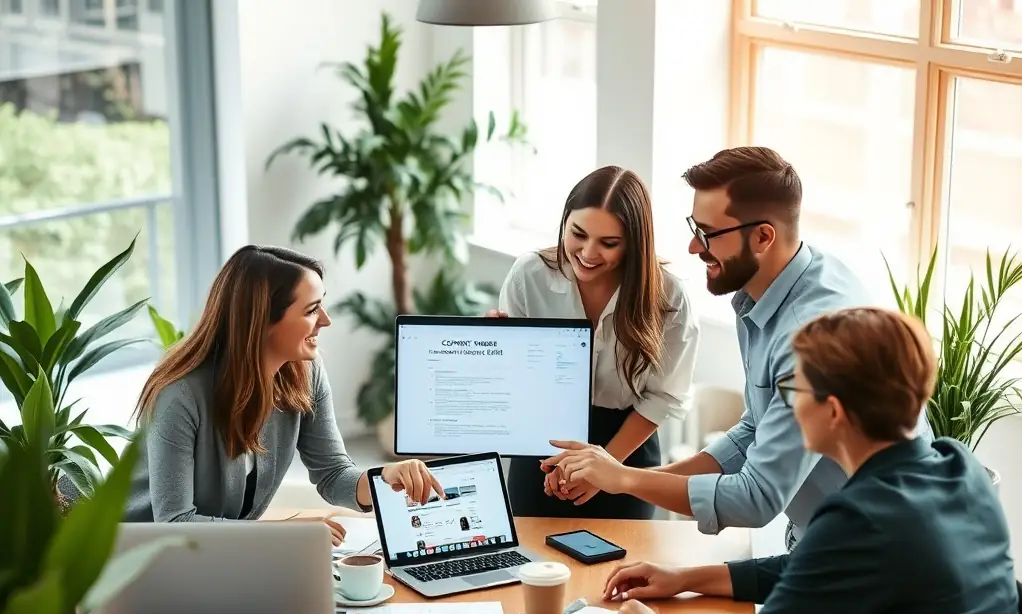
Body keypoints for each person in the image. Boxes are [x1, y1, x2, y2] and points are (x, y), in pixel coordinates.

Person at [541, 147, 929, 614]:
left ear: (764, 236)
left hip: (856, 556)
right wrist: (622, 478)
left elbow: (756, 497)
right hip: (825, 543)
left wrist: (624, 481)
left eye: (709, 233)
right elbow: (754, 428)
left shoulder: (806, 334)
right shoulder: (773, 290)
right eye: (694, 228)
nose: (695, 247)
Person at [602, 307, 1019, 614]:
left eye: (792, 391)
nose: (786, 407)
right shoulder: (955, 466)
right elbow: (816, 569)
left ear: (833, 411)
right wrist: (685, 578)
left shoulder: (863, 518)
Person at [125, 245, 444, 543]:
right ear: (261, 321)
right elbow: (173, 523)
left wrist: (383, 479)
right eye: (311, 310)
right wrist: (284, 536)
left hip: (225, 556)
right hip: (143, 562)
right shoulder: (179, 395)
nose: (326, 320)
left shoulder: (306, 372)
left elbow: (332, 473)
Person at [493, 165, 699, 520]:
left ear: (635, 242)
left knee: (624, 570)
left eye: (609, 243)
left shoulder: (669, 296)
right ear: (564, 223)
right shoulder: (530, 275)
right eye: (578, 234)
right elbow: (518, 385)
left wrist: (606, 469)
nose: (588, 252)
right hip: (544, 445)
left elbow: (664, 396)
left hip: (626, 446)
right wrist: (494, 350)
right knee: (530, 564)